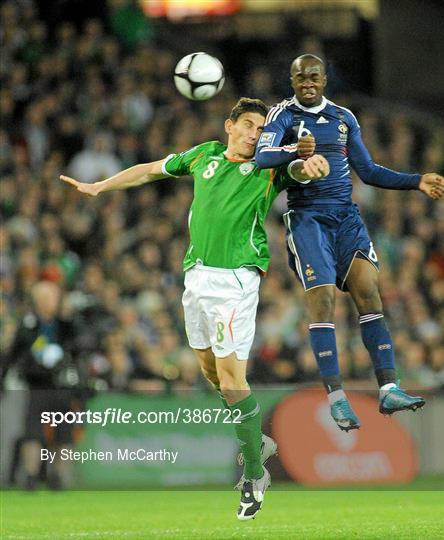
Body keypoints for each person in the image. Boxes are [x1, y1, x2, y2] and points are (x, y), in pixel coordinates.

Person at [60, 97, 329, 519]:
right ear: (230, 126)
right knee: (211, 374)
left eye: (262, 129)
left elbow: (304, 168)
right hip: (197, 279)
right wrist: (100, 186)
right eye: (248, 125)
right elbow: (149, 170)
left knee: (230, 376)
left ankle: (254, 475)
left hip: (236, 280)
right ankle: (255, 438)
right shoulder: (202, 154)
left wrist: (312, 164)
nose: (255, 134)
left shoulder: (269, 167)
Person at [255, 55, 444, 431]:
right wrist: (297, 150)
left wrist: (416, 181)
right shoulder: (282, 116)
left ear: (325, 79)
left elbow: (370, 171)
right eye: (299, 77)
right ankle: (337, 398)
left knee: (369, 293)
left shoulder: (344, 118)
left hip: (346, 217)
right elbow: (263, 157)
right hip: (308, 219)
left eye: (313, 76)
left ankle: (388, 388)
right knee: (323, 298)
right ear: (291, 80)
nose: (307, 82)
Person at [1, 280, 83, 490]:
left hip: (63, 385)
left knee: (63, 432)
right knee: (33, 431)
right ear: (39, 300)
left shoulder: (66, 325)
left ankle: (59, 476)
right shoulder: (29, 325)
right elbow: (14, 354)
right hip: (38, 383)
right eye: (49, 297)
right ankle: (31, 475)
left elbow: (79, 349)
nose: (53, 301)